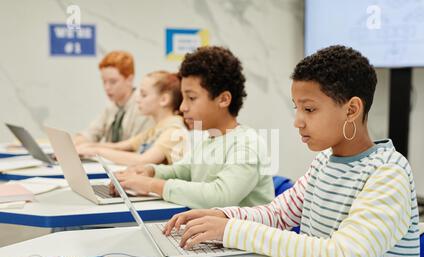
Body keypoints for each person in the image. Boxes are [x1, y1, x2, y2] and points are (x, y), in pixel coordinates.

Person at [164, 45, 420, 257]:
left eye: (309, 109)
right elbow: (277, 214)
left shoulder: (388, 174)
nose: (297, 120)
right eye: (296, 108)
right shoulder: (324, 163)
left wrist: (231, 230)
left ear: (352, 110)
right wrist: (221, 215)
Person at [111, 46, 275, 209]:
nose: (182, 107)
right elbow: (184, 171)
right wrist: (150, 171)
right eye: (183, 98)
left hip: (241, 234)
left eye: (191, 98)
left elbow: (220, 196)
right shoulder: (209, 139)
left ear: (224, 99)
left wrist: (151, 185)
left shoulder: (248, 143)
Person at [76, 71, 188, 166]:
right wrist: (86, 146)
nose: (137, 99)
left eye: (144, 95)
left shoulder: (174, 130)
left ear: (164, 99)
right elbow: (120, 146)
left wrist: (96, 151)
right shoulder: (156, 129)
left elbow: (143, 160)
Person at [73, 51, 153, 145]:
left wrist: (94, 147)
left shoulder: (143, 107)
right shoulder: (112, 107)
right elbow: (92, 133)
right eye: (104, 81)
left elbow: (134, 147)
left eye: (113, 82)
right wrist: (74, 143)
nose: (107, 87)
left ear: (129, 79)